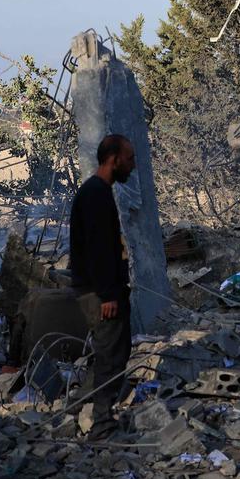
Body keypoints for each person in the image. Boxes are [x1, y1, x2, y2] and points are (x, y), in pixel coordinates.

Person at [70, 133, 136, 433]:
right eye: (129, 159)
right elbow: (98, 250)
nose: (131, 166)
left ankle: (81, 408)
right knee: (111, 356)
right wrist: (108, 294)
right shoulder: (95, 195)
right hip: (100, 294)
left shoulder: (97, 191)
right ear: (114, 159)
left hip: (98, 290)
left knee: (109, 351)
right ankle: (102, 426)